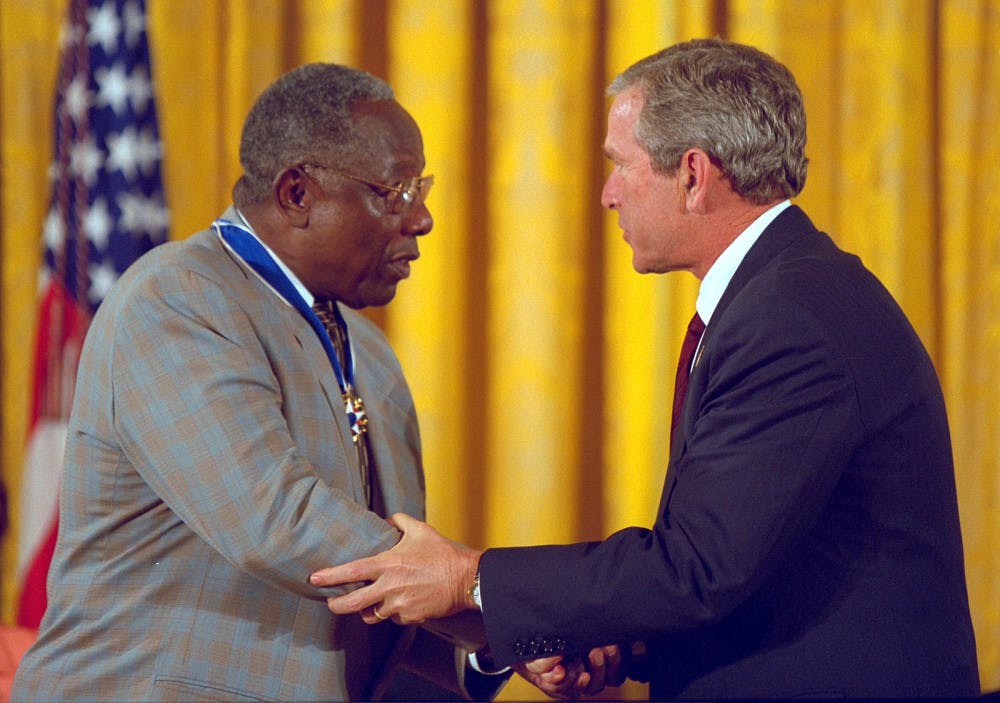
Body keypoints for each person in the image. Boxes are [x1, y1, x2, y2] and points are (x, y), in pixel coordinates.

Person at [309, 39, 982, 700]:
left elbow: (698, 567)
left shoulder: (791, 318)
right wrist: (616, 639)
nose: (607, 195)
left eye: (619, 165)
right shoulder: (788, 292)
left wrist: (468, 577)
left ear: (692, 174)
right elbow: (762, 563)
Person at [13, 62, 525, 702]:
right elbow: (275, 519)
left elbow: (377, 592)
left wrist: (498, 645)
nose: (421, 219)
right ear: (297, 194)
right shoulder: (177, 299)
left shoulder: (368, 349)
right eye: (395, 192)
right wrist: (494, 604)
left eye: (421, 188)